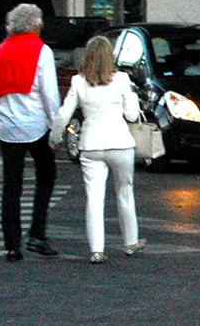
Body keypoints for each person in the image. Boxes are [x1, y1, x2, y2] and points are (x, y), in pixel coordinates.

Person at [52, 36, 145, 264]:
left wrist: (54, 138)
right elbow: (132, 115)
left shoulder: (78, 82)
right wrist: (132, 95)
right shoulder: (122, 80)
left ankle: (96, 249)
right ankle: (130, 241)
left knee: (94, 197)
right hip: (120, 143)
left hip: (91, 145)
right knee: (125, 192)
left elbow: (64, 114)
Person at [0, 4, 60, 262]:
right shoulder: (41, 51)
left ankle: (12, 245)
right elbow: (49, 95)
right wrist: (56, 128)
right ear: (35, 25)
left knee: (11, 188)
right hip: (37, 125)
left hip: (8, 129)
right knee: (46, 176)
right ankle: (37, 233)